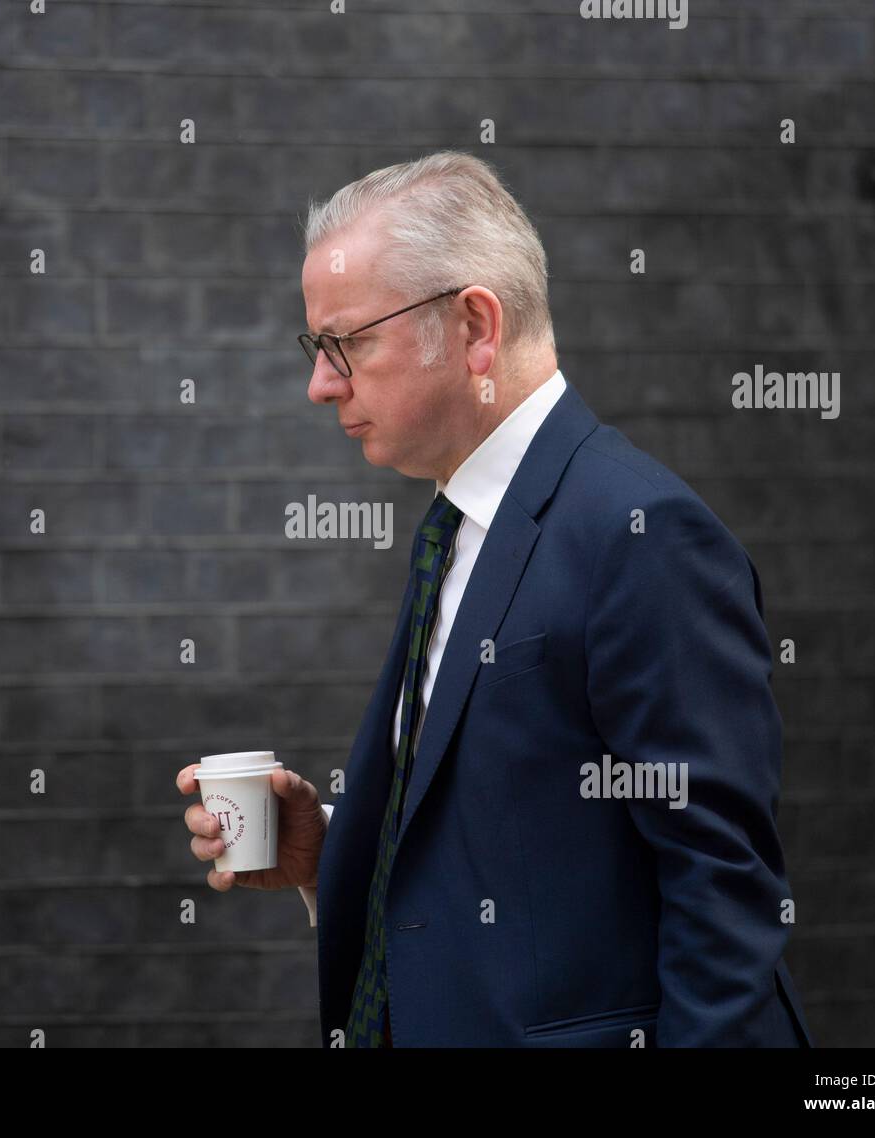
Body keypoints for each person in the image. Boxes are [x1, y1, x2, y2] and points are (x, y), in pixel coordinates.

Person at [177, 150, 814, 1049]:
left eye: (347, 343)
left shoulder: (642, 534)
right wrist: (332, 856)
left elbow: (722, 894)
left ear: (475, 325)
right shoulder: (454, 525)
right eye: (315, 348)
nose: (321, 384)